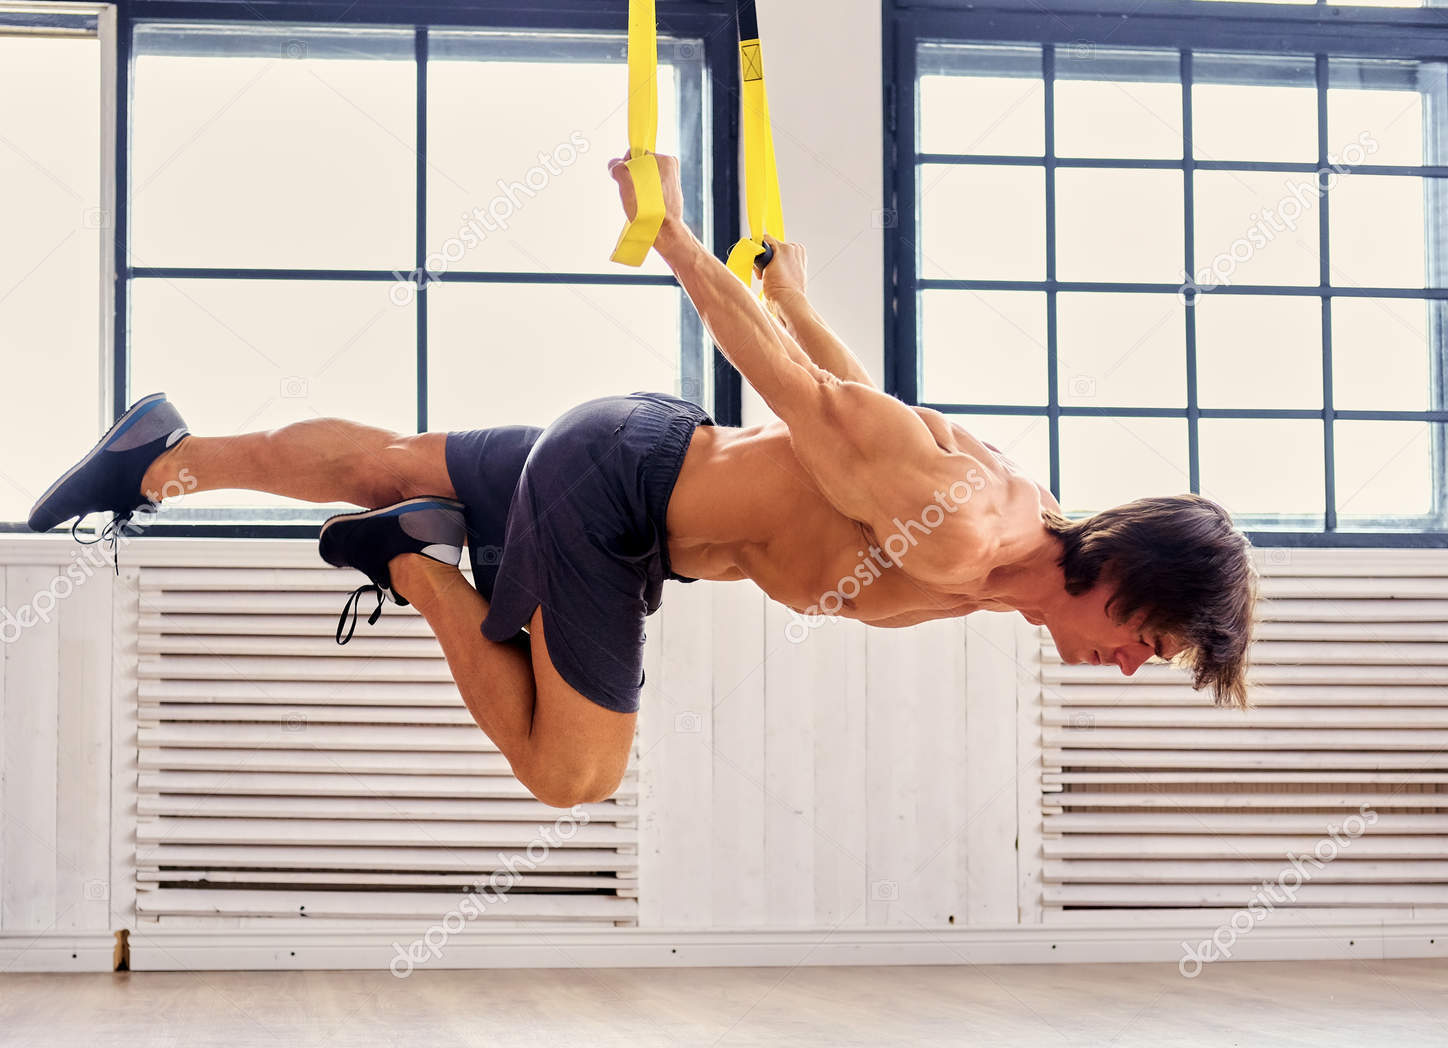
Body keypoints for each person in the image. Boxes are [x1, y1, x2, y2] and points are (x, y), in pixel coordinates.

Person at [27, 153, 1255, 809]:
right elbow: (808, 408)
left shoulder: (1002, 537)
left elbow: (859, 422)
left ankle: (160, 460)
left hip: (629, 462)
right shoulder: (967, 538)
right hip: (617, 500)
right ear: (1130, 574)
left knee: (385, 453)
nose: (1136, 667)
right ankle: (405, 552)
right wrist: (669, 233)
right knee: (573, 776)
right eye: (1151, 640)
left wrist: (798, 299)